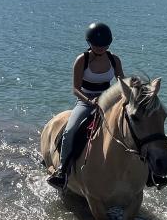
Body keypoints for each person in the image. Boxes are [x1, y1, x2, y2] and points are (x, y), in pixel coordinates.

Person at [47, 22, 125, 187]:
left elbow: (121, 84)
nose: (100, 49)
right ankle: (63, 170)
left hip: (108, 99)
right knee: (70, 130)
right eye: (96, 46)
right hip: (85, 100)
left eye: (104, 46)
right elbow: (75, 89)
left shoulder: (114, 59)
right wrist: (90, 101)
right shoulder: (82, 59)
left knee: (131, 126)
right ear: (89, 43)